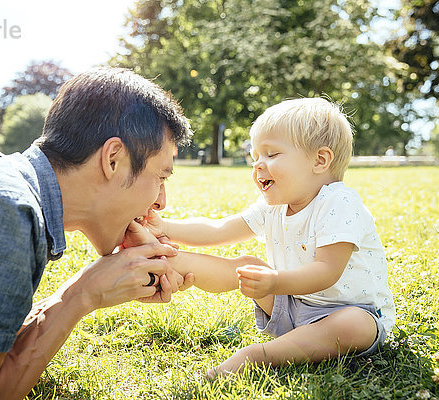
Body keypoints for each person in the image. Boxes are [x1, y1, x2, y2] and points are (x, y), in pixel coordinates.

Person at [0, 67, 198, 400]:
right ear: (113, 159)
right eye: (160, 177)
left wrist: (84, 287)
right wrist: (84, 295)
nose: (160, 202)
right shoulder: (1, 211)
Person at [138, 97, 396, 378]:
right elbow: (220, 229)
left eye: (271, 155)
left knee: (355, 324)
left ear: (320, 160)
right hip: (291, 305)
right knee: (247, 264)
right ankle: (165, 262)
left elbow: (327, 271)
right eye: (256, 156)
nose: (258, 165)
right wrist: (164, 228)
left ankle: (257, 356)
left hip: (345, 313)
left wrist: (275, 282)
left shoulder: (339, 203)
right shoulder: (274, 206)